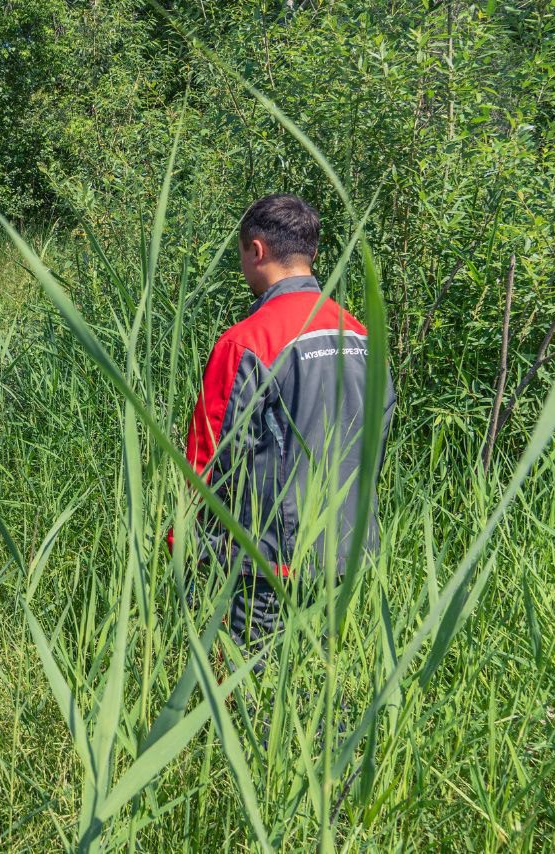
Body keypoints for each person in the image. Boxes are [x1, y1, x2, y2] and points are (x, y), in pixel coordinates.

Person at [176, 194, 395, 663]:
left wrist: (183, 543)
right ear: (310, 253)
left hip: (268, 565)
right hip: (349, 550)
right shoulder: (359, 333)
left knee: (253, 698)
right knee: (322, 685)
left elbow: (208, 457)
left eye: (240, 255)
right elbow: (377, 431)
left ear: (257, 250)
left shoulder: (246, 342)